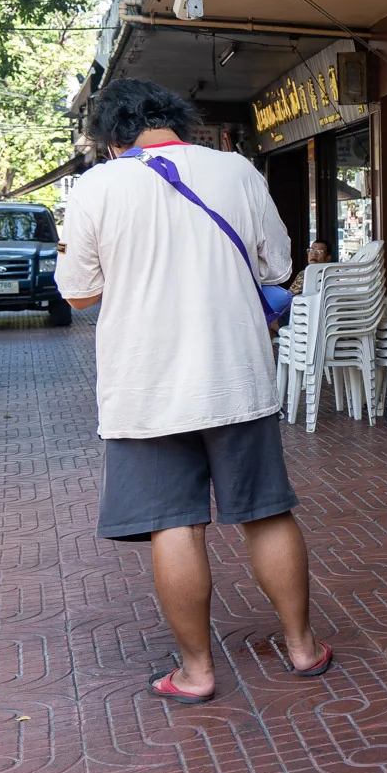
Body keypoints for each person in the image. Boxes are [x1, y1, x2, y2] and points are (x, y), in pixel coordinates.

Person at [57, 79, 330, 703]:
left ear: (111, 136)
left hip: (144, 384)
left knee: (172, 523)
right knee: (266, 511)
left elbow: (78, 293)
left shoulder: (97, 186)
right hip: (234, 374)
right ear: (179, 122)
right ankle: (303, 647)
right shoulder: (236, 170)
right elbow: (275, 267)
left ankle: (197, 671)